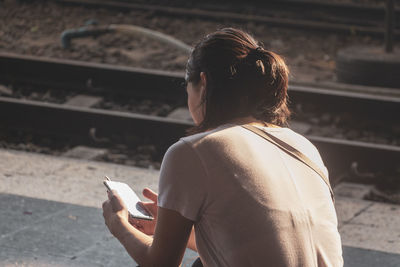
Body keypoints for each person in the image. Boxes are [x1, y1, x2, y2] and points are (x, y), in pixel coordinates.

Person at [102, 27, 343, 267]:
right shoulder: (303, 145)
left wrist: (119, 226)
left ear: (203, 83)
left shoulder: (193, 151)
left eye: (188, 86)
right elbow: (258, 243)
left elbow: (160, 263)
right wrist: (176, 232)